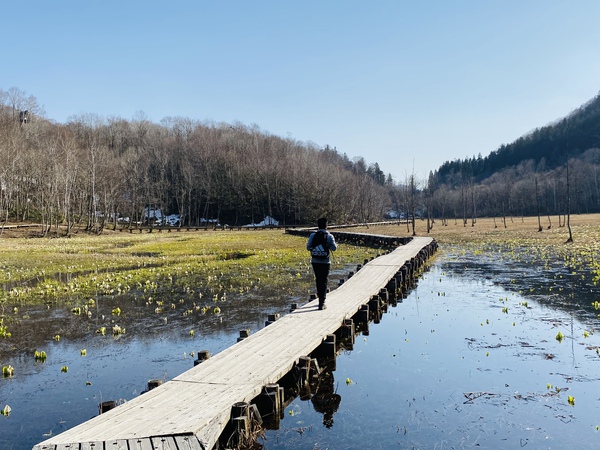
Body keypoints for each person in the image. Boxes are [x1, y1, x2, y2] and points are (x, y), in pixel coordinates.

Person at [306, 217, 337, 310]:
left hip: (315, 261)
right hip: (325, 262)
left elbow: (308, 247)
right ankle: (322, 303)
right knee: (324, 281)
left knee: (318, 280)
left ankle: (320, 300)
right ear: (327, 226)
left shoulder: (312, 235)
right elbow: (334, 248)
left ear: (318, 225)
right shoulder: (329, 236)